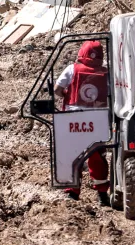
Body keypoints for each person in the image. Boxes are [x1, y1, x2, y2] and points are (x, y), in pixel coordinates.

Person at [54, 40, 110, 206]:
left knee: (72, 155)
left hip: (73, 120)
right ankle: (102, 194)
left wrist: (66, 94)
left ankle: (72, 193)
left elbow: (57, 89)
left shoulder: (72, 69)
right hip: (97, 121)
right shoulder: (106, 72)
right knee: (97, 157)